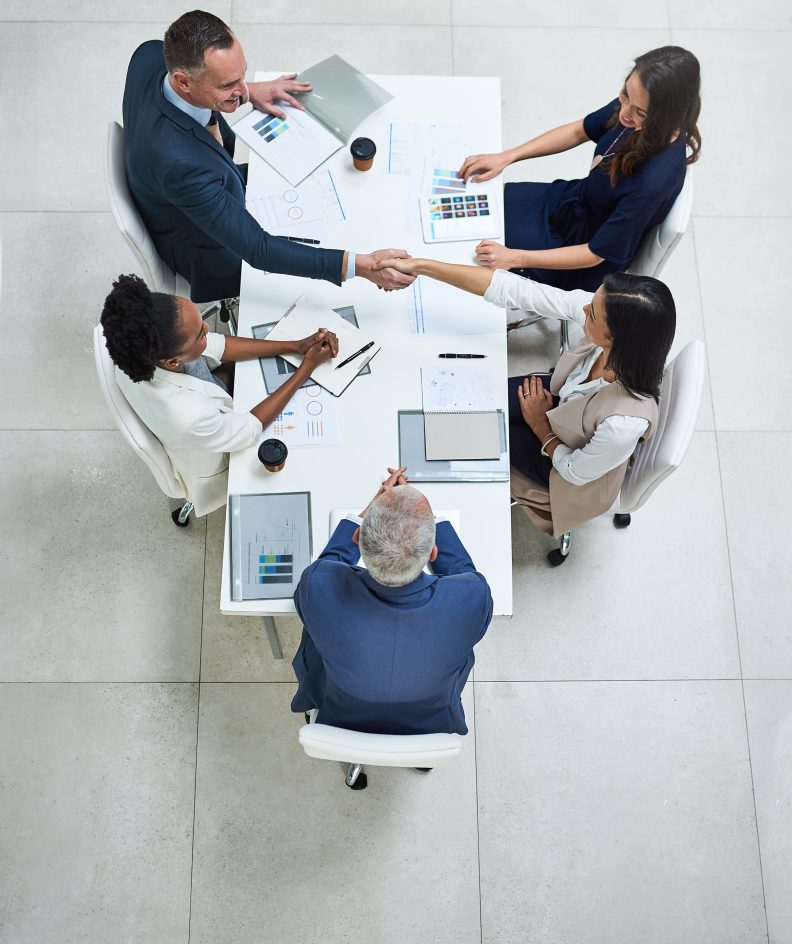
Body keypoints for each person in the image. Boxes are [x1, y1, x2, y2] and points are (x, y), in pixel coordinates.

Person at [371, 256, 676, 538]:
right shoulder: (606, 313)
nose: (583, 309)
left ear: (616, 339)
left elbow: (573, 473)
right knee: (468, 409)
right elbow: (515, 289)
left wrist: (539, 426)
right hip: (563, 408)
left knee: (468, 437)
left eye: (591, 313)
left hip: (563, 460)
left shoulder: (623, 423)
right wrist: (421, 266)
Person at [122, 9, 414, 302]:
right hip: (210, 252)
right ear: (184, 82)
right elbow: (259, 250)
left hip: (210, 182)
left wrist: (249, 91)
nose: (241, 89)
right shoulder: (179, 166)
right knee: (321, 271)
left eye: (242, 76)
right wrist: (359, 267)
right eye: (227, 85)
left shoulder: (149, 54)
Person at [458, 45, 701, 292]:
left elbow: (596, 253)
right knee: (480, 207)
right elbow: (578, 131)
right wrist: (508, 157)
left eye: (639, 112)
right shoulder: (634, 105)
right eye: (625, 94)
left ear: (666, 117)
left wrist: (515, 257)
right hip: (570, 203)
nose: (624, 115)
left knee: (469, 251)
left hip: (582, 253)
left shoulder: (652, 181)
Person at [100, 273, 339, 517]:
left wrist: (295, 346)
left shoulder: (146, 350)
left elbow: (219, 345)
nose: (207, 327)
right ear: (172, 361)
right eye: (200, 335)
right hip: (218, 450)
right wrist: (306, 368)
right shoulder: (189, 416)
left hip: (213, 398)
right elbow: (249, 428)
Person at [291, 467, 493, 734]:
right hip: (432, 724)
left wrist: (371, 513)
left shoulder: (317, 586)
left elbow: (330, 563)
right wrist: (424, 516)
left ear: (356, 538)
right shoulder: (471, 599)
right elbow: (463, 572)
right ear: (434, 552)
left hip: (340, 716)